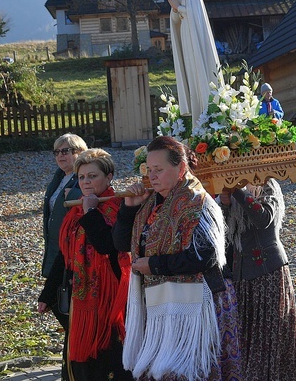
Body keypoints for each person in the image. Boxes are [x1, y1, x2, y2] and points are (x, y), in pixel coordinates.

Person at [113, 136, 242, 380]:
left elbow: (207, 256)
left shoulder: (199, 203)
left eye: (159, 170)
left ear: (181, 168)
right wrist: (129, 208)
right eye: (150, 170)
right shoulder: (150, 205)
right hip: (162, 307)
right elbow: (120, 244)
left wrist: (155, 265)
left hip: (200, 306)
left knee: (193, 372)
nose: (152, 176)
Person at [38, 149, 133, 380]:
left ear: (109, 177)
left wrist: (91, 211)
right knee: (80, 361)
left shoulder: (118, 207)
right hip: (79, 297)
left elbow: (107, 246)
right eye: (82, 177)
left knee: (108, 358)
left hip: (108, 298)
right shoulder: (75, 211)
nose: (86, 182)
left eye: (92, 176)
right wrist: (47, 294)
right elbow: (65, 254)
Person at [217, 180, 296, 380]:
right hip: (242, 276)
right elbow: (224, 232)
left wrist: (237, 191)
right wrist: (225, 204)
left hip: (269, 273)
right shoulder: (232, 189)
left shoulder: (267, 183)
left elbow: (263, 218)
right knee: (249, 339)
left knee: (271, 337)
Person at [41, 132, 88, 376]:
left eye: (66, 151)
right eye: (57, 152)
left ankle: (74, 362)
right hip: (56, 251)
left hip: (71, 255)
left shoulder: (82, 180)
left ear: (79, 153)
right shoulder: (60, 178)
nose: (60, 156)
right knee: (59, 304)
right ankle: (70, 361)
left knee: (66, 307)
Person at [164, 0, 224, 119]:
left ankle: (207, 112)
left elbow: (194, 15)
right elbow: (176, 20)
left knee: (200, 71)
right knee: (191, 73)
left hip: (196, 38)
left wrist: (179, 7)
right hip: (185, 37)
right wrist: (175, 9)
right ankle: (197, 116)